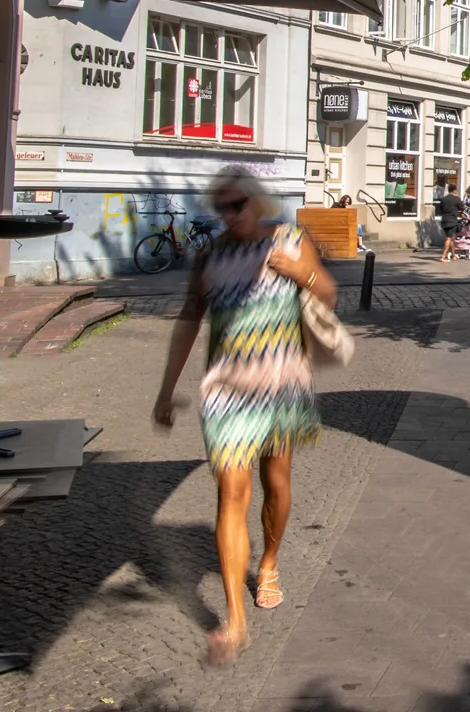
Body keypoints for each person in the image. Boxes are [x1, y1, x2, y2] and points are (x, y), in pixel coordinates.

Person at [152, 168, 332, 664]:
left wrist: (302, 275)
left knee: (276, 483)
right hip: (226, 392)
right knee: (232, 492)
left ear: (257, 202)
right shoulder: (210, 257)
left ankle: (269, 562)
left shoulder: (291, 240)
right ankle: (234, 619)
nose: (229, 216)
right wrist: (166, 390)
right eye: (222, 208)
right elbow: (190, 319)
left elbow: (328, 294)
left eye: (237, 205)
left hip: (281, 386)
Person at [435, 183, 464, 262]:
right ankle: (443, 256)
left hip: (444, 220)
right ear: (454, 190)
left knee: (450, 238)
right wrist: (460, 213)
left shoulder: (443, 199)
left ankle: (454, 255)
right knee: (448, 238)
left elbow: (440, 209)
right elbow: (462, 208)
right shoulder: (457, 199)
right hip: (452, 220)